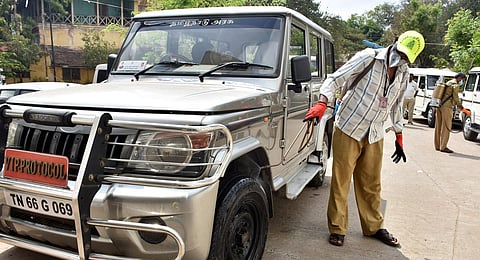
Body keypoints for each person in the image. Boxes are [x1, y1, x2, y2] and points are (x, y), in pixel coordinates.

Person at [304, 31, 425, 247]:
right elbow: (334, 79)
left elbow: (396, 104)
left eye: (406, 56)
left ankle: (373, 226)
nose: (401, 58)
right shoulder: (368, 57)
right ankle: (338, 228)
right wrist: (322, 102)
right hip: (349, 126)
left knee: (371, 183)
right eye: (400, 52)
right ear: (395, 42)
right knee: (341, 182)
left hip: (375, 132)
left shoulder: (404, 72)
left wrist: (399, 134)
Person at [434, 72, 467, 153]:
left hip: (440, 105)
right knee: (446, 127)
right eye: (462, 79)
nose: (462, 81)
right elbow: (456, 98)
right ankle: (443, 146)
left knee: (438, 126)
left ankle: (437, 145)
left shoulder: (448, 82)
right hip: (447, 107)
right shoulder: (455, 85)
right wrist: (461, 107)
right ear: (459, 78)